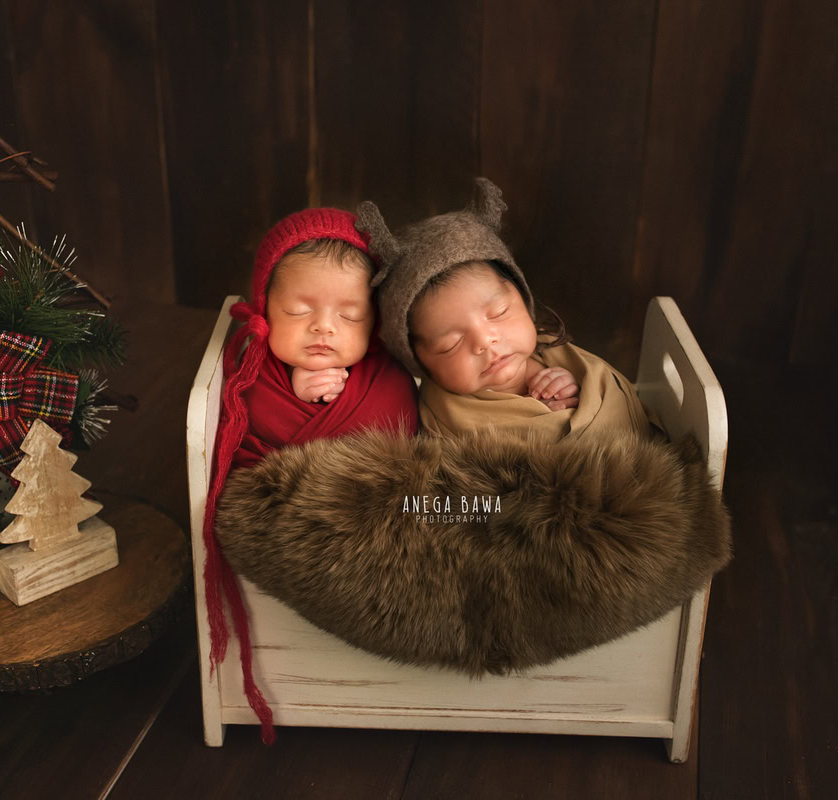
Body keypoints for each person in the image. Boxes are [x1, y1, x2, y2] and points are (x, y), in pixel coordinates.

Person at [200, 207, 419, 744]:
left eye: (350, 316)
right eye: (299, 310)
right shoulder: (250, 376)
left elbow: (411, 442)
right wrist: (295, 405)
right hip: (302, 523)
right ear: (265, 311)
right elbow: (242, 451)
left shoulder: (387, 375)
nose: (324, 327)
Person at [357, 177, 653, 442]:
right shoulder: (437, 420)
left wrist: (572, 391)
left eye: (498, 312)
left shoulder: (565, 360)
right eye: (451, 343)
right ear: (420, 361)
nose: (485, 341)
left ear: (524, 300)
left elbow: (612, 408)